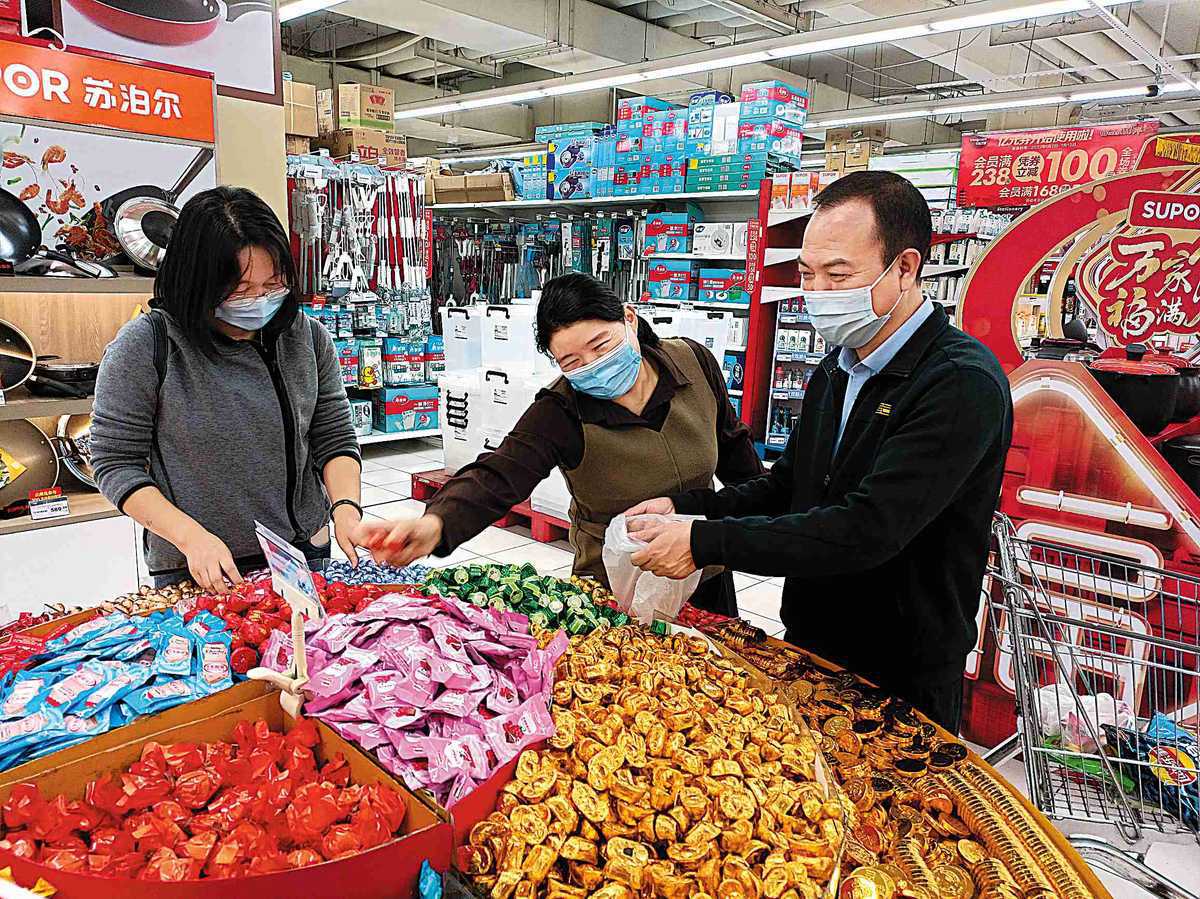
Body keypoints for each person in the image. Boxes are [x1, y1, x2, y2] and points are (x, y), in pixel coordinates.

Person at [627, 171, 1013, 731]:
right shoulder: (837, 367)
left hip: (900, 668)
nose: (819, 294)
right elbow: (789, 486)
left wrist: (704, 543)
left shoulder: (959, 383)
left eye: (839, 275)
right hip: (812, 641)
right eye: (808, 274)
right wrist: (688, 509)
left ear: (905, 268)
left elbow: (867, 529)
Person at [354, 273, 763, 615]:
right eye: (572, 362)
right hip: (612, 589)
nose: (594, 367)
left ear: (629, 318)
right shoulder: (562, 408)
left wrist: (770, 532)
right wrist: (435, 525)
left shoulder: (693, 363)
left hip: (705, 571)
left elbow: (740, 463)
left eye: (601, 346)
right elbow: (501, 472)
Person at [90, 186, 364, 593]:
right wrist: (189, 537)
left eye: (273, 283)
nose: (259, 300)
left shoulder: (306, 338)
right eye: (240, 289)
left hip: (300, 553)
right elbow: (115, 462)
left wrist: (345, 508)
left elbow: (334, 437)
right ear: (197, 282)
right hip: (198, 565)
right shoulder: (146, 346)